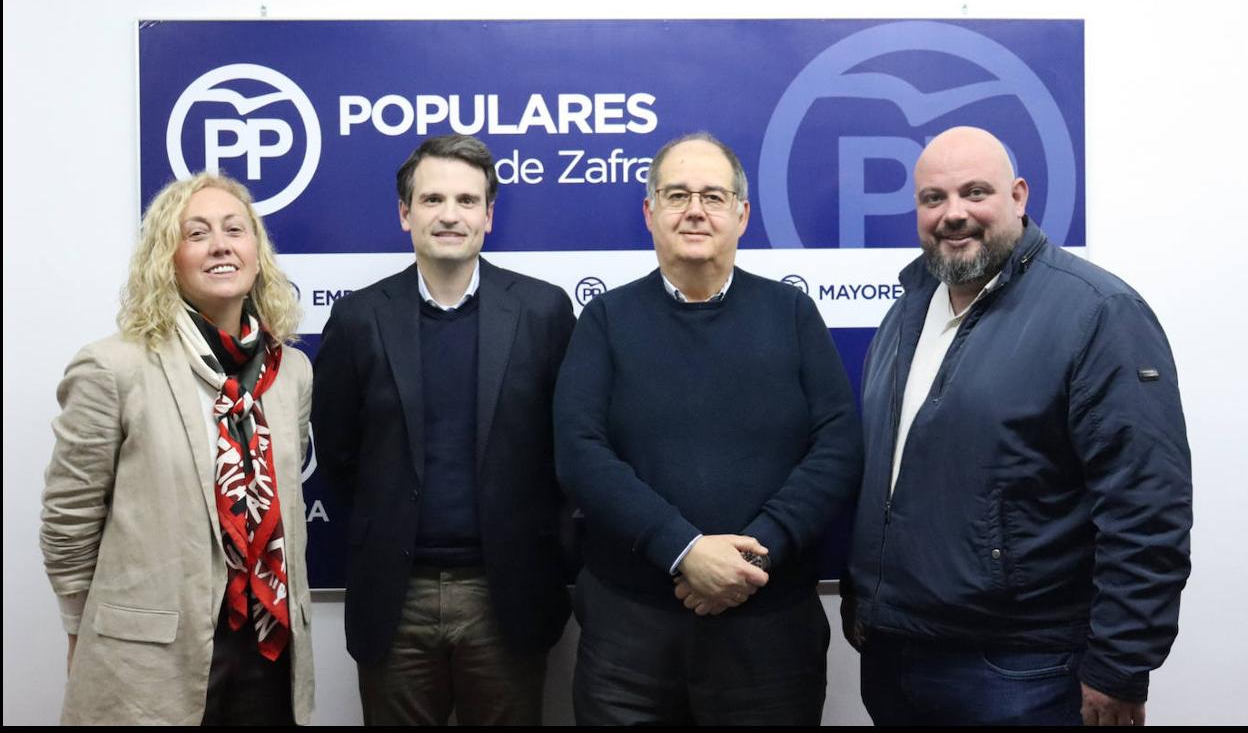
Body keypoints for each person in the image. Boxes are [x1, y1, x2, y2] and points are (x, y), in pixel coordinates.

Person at [842, 126, 1193, 726]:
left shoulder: (1096, 313)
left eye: (975, 192)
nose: (954, 213)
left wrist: (1120, 663)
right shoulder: (908, 309)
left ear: (1019, 196)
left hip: (1023, 668)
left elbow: (1146, 504)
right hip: (895, 654)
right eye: (933, 198)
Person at [554, 132, 863, 725]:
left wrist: (753, 558)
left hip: (769, 633)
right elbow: (579, 453)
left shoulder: (793, 314)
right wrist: (683, 550)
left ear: (741, 215)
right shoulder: (606, 319)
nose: (695, 210)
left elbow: (838, 446)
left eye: (713, 197)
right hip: (630, 636)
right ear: (650, 213)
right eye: (677, 195)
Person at [312, 134, 575, 725]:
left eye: (466, 200)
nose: (450, 215)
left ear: (488, 215)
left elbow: (569, 453)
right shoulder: (358, 318)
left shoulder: (544, 312)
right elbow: (338, 454)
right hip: (395, 595)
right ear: (404, 214)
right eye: (432, 199)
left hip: (507, 593)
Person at [40, 173, 314, 725]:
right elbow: (69, 519)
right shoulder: (113, 367)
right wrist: (78, 630)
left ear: (257, 253)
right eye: (197, 233)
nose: (220, 245)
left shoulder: (292, 372)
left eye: (234, 230)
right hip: (150, 663)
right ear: (167, 259)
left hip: (268, 649)